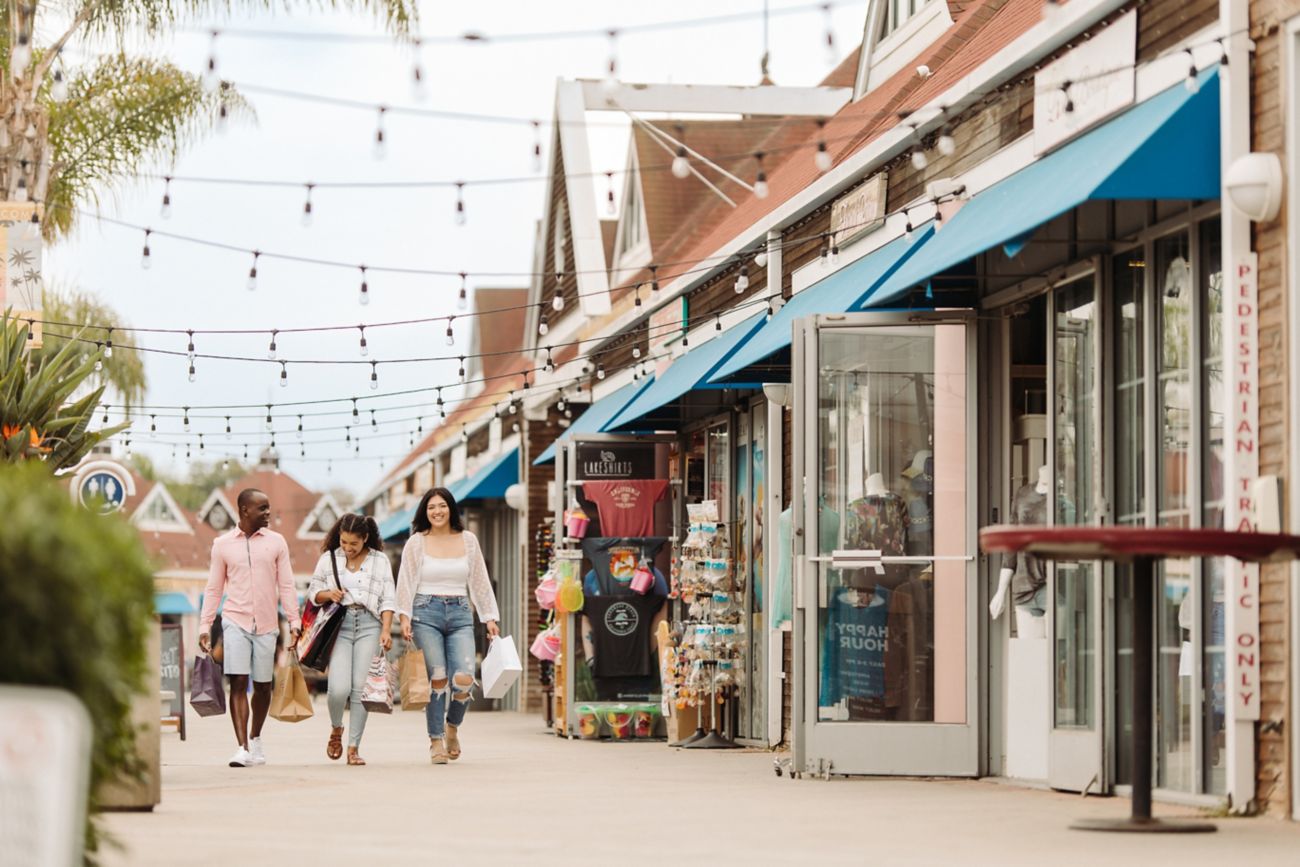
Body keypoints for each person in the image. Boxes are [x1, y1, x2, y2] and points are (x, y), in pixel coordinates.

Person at [396, 487, 500, 765]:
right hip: (424, 613)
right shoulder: (416, 542)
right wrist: (404, 616)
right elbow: (405, 581)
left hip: (460, 612)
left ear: (451, 508)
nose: (437, 512)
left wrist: (489, 616)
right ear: (424, 512)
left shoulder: (468, 540)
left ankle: (453, 725)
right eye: (431, 507)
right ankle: (436, 740)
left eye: (442, 506)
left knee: (464, 678)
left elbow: (479, 580)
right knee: (438, 678)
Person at [198, 488, 301, 768]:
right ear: (245, 510)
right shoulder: (222, 545)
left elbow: (287, 585)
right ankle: (241, 747)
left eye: (268, 508)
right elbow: (214, 588)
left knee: (264, 686)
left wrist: (294, 621)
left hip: (267, 625)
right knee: (239, 682)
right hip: (235, 622)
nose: (268, 513)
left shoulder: (277, 543)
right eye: (263, 509)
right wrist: (205, 625)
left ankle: (256, 738)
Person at [307, 513, 395, 766]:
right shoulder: (329, 559)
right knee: (338, 689)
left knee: (360, 688)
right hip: (340, 626)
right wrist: (328, 593)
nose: (347, 548)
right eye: (343, 542)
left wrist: (386, 630)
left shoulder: (380, 561)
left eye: (353, 544)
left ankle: (354, 747)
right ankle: (336, 728)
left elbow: (388, 598)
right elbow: (313, 593)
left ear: (365, 538)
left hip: (370, 624)